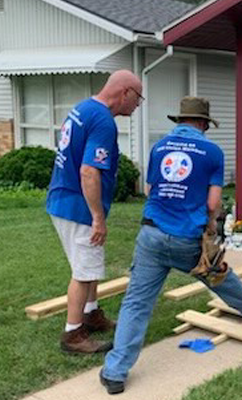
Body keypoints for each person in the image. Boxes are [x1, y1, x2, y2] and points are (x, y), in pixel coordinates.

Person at [100, 97, 242, 395]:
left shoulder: (159, 147)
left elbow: (151, 189)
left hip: (151, 234)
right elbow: (213, 202)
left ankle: (115, 372)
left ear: (180, 121)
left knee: (137, 302)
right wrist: (211, 224)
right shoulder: (212, 152)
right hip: (187, 238)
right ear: (203, 124)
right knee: (216, 275)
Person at [46, 70, 143, 354]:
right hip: (78, 206)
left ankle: (91, 312)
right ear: (125, 92)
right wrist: (97, 217)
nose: (137, 105)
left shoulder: (84, 108)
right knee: (84, 270)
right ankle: (73, 334)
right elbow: (89, 171)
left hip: (64, 197)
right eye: (137, 98)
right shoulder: (103, 121)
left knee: (92, 262)